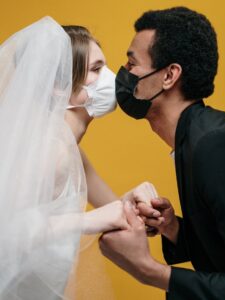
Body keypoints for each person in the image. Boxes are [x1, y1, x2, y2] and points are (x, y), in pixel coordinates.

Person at [0, 17, 158, 300]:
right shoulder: (50, 148)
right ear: (59, 86)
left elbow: (114, 210)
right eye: (97, 69)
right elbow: (9, 232)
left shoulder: (71, 149)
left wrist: (136, 202)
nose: (112, 77)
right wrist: (91, 220)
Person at [99, 6, 225, 300]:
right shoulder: (193, 137)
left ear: (169, 75)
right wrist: (173, 228)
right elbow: (224, 250)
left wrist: (148, 270)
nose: (123, 75)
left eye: (131, 63)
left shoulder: (215, 146)